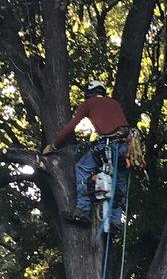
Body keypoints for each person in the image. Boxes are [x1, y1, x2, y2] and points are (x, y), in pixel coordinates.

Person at [43, 80, 132, 233]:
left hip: (108, 144)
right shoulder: (115, 103)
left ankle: (83, 211)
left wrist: (54, 145)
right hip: (126, 147)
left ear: (90, 93)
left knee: (82, 168)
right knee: (119, 181)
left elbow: (71, 126)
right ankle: (115, 221)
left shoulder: (89, 103)